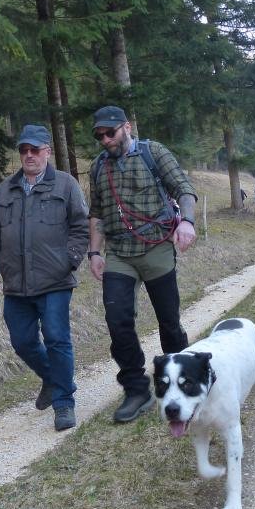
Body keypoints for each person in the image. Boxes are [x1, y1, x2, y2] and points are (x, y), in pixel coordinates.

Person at [86, 106, 198, 423]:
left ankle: (181, 383)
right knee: (117, 319)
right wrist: (94, 252)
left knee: (169, 321)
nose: (105, 140)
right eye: (99, 136)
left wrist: (187, 221)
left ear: (126, 127)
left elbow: (184, 189)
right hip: (119, 254)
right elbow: (97, 213)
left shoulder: (153, 153)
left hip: (156, 248)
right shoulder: (98, 167)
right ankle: (136, 390)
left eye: (110, 133)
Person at [0, 124, 89, 432]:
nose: (29, 155)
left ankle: (64, 403)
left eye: (35, 150)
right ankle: (53, 379)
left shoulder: (66, 185)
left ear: (47, 152)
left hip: (55, 280)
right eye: (24, 150)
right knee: (22, 341)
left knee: (56, 338)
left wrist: (70, 260)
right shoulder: (5, 190)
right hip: (16, 284)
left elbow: (81, 227)